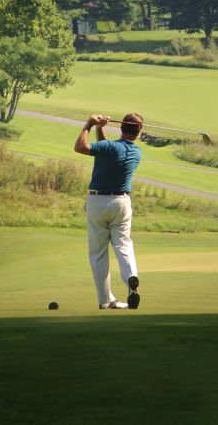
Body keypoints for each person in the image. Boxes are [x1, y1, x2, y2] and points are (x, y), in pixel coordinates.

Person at [74, 112, 144, 310]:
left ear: (121, 127)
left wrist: (89, 124)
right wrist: (100, 129)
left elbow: (80, 147)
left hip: (98, 202)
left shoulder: (110, 147)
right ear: (138, 131)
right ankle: (131, 276)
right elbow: (106, 150)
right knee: (123, 244)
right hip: (121, 202)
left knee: (98, 253)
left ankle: (106, 299)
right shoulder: (136, 152)